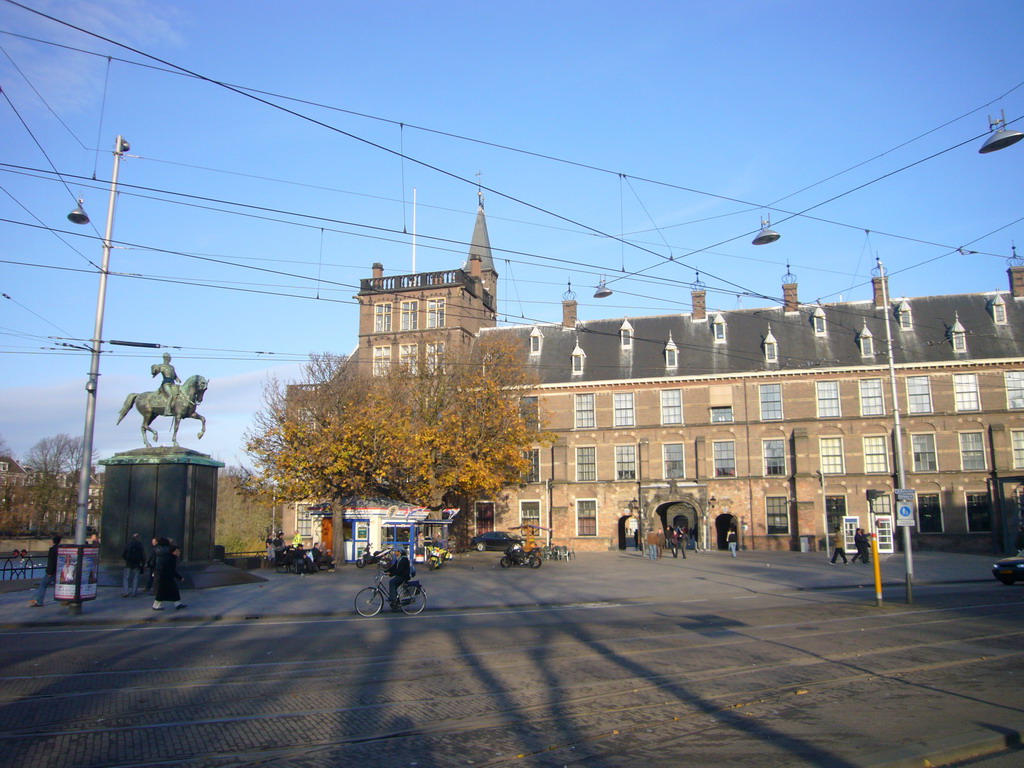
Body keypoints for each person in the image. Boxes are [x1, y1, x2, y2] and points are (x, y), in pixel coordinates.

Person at [29, 535, 61, 607]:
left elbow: (51, 562)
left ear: (53, 541)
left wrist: (49, 572)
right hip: (59, 570)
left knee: (43, 584)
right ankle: (65, 600)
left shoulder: (52, 549)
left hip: (52, 571)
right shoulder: (61, 549)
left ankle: (39, 601)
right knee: (60, 585)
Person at [153, 544, 186, 610]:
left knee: (172, 590)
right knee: (162, 592)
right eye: (178, 551)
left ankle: (177, 603)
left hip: (166, 577)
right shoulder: (171, 559)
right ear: (173, 552)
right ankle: (156, 605)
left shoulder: (170, 557)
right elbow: (172, 570)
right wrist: (179, 577)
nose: (179, 552)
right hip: (166, 578)